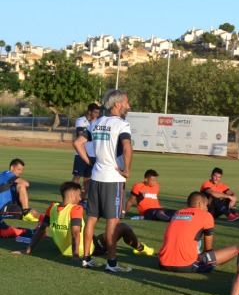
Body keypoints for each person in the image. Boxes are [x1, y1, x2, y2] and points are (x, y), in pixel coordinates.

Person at [12, 181, 154, 267]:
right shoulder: (76, 208)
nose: (80, 198)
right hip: (87, 248)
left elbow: (40, 230)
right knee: (123, 227)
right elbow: (75, 232)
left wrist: (28, 250)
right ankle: (140, 248)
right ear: (73, 195)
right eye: (79, 195)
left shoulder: (52, 207)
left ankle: (139, 247)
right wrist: (75, 255)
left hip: (64, 250)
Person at [73, 89, 135, 273]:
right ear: (117, 104)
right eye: (126, 102)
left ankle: (86, 259)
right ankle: (112, 263)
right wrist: (127, 170)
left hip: (96, 176)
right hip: (113, 178)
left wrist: (90, 161)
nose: (128, 105)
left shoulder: (97, 122)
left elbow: (77, 143)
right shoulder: (122, 125)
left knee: (91, 219)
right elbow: (127, 147)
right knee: (112, 221)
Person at [158, 191, 239, 273]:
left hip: (163, 263)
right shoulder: (206, 215)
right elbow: (208, 249)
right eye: (207, 205)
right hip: (186, 265)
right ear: (200, 204)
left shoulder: (178, 213)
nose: (207, 209)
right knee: (234, 250)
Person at [71, 102, 102, 189]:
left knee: (88, 179)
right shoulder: (80, 120)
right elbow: (81, 134)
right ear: (89, 112)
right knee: (77, 177)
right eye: (95, 112)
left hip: (93, 154)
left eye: (98, 112)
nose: (97, 115)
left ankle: (82, 199)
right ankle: (70, 195)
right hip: (81, 154)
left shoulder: (98, 122)